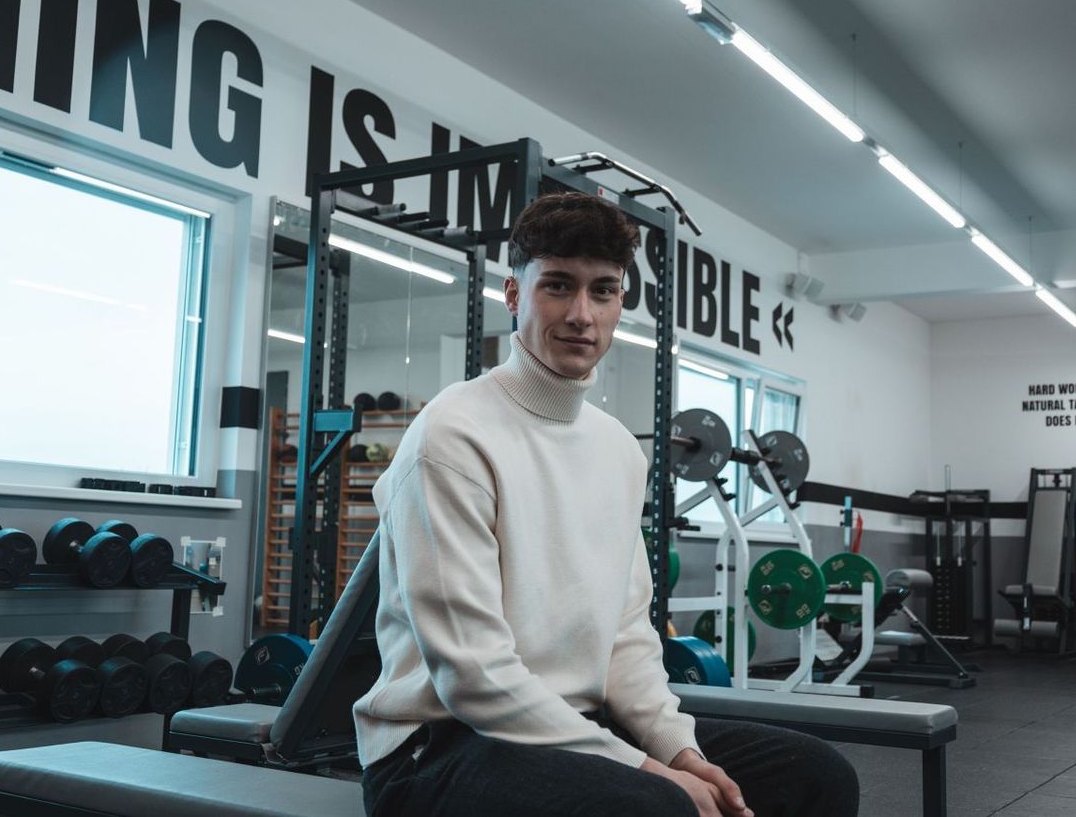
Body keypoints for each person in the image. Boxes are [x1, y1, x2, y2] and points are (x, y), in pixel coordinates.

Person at [354, 191, 859, 816]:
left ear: (621, 302)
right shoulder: (451, 436)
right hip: (437, 750)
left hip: (572, 729)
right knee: (654, 807)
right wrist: (646, 772)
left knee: (815, 775)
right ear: (514, 295)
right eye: (558, 287)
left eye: (603, 291)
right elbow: (474, 678)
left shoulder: (618, 449)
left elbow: (625, 636)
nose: (581, 315)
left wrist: (679, 752)